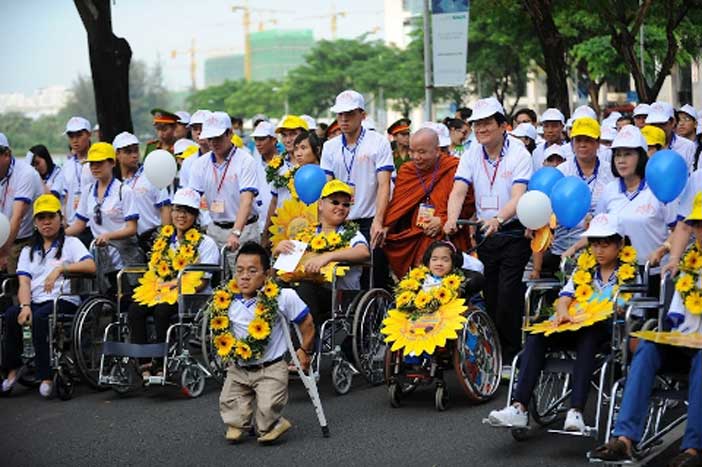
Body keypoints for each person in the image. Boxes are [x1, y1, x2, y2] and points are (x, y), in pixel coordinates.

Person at [488, 213, 636, 434]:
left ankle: (575, 411)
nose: (599, 251)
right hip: (573, 323)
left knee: (589, 336)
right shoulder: (583, 268)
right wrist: (563, 312)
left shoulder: (630, 273)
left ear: (619, 244)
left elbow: (627, 308)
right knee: (538, 334)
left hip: (605, 330)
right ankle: (519, 407)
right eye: (595, 245)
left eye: (605, 245)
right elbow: (565, 297)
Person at [589, 195, 702, 465]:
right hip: (683, 342)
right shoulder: (688, 265)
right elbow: (676, 320)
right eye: (698, 226)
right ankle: (625, 439)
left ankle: (693, 449)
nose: (700, 232)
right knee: (647, 347)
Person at [443, 97, 533, 366]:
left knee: (508, 293)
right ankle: (495, 351)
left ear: (503, 125)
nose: (481, 129)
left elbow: (519, 195)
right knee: (491, 295)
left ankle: (512, 354)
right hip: (485, 231)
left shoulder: (519, 153)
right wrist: (451, 218)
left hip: (513, 230)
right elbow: (459, 190)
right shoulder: (470, 153)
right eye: (477, 124)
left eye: (486, 123)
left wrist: (499, 218)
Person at [219, 241, 315, 444]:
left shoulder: (283, 296)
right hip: (239, 367)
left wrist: (304, 350)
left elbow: (307, 324)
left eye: (252, 271)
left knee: (268, 416)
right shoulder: (225, 300)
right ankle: (239, 421)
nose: (244, 276)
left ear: (267, 274)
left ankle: (273, 423)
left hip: (270, 368)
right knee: (230, 409)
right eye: (239, 271)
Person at [1, 194, 96, 397]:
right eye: (41, 218)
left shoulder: (71, 243)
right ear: (35, 223)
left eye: (50, 217)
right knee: (10, 315)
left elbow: (90, 265)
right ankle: (12, 369)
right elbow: (24, 282)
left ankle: (45, 375)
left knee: (42, 317)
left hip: (63, 299)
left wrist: (62, 268)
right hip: (35, 301)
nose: (46, 222)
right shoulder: (28, 251)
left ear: (60, 219)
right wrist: (25, 306)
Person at [127, 188, 219, 378]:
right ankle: (144, 362)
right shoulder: (163, 241)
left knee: (162, 312)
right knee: (135, 310)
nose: (181, 215)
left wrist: (175, 286)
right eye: (177, 210)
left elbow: (202, 281)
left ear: (195, 215)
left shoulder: (205, 243)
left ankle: (161, 363)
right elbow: (155, 270)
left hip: (191, 296)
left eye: (187, 211)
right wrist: (160, 286)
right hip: (162, 291)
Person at [321, 90, 394, 287]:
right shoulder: (330, 147)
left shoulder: (378, 142)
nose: (344, 119)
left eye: (350, 114)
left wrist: (378, 221)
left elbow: (384, 184)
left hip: (369, 218)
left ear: (362, 115)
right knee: (339, 276)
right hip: (340, 219)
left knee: (374, 275)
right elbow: (326, 188)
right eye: (340, 115)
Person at [595, 125, 676, 298]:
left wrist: (662, 250)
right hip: (620, 275)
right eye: (617, 155)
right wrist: (573, 249)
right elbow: (599, 228)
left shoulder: (657, 188)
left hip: (654, 272)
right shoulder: (609, 190)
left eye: (628, 154)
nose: (621, 160)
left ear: (640, 157)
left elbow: (678, 229)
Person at [273, 180, 371, 323]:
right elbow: (282, 270)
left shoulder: (351, 233)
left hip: (340, 297)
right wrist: (278, 251)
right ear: (320, 205)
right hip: (307, 291)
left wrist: (328, 257)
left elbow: (363, 252)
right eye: (335, 202)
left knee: (305, 289)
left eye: (346, 204)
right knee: (278, 288)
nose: (341, 207)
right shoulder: (306, 233)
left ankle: (306, 340)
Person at [383, 128, 475, 279]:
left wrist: (443, 219)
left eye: (422, 152)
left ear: (437, 150)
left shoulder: (454, 167)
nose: (416, 157)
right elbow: (398, 207)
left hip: (447, 236)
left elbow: (468, 202)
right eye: (412, 151)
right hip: (416, 235)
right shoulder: (407, 171)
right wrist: (386, 225)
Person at [65, 143, 139, 287]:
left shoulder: (124, 191)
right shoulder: (88, 191)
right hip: (101, 255)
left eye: (99, 163)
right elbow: (79, 224)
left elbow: (132, 228)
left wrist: (108, 236)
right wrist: (59, 235)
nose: (95, 167)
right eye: (92, 163)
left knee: (123, 296)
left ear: (112, 163)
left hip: (123, 254)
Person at [187, 111, 260, 260]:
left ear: (230, 133)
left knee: (241, 279)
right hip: (214, 228)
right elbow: (192, 199)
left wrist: (236, 232)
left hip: (243, 230)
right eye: (210, 138)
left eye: (218, 137)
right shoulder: (200, 164)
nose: (213, 142)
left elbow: (246, 200)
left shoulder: (245, 160)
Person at [560, 117, 616, 259]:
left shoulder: (610, 172)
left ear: (598, 143)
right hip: (564, 248)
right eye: (578, 140)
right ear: (572, 143)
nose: (582, 145)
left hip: (602, 248)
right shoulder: (561, 172)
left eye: (588, 140)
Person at [113, 131, 172, 255]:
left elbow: (165, 208)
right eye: (128, 151)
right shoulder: (114, 182)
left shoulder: (151, 174)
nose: (134, 155)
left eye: (136, 150)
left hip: (152, 238)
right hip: (126, 242)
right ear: (117, 154)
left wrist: (165, 240)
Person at [0, 133, 43, 273]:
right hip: (2, 239)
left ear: (7, 154)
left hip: (22, 240)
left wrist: (4, 253)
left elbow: (17, 217)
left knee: (15, 288)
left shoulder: (25, 173)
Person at [61, 116, 95, 228]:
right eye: (71, 136)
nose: (75, 140)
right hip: (72, 224)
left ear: (89, 134)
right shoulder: (67, 165)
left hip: (94, 224)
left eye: (79, 135)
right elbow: (65, 196)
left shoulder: (98, 161)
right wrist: (64, 219)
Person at [646, 101, 695, 171]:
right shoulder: (642, 146)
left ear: (673, 122)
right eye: (653, 124)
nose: (658, 129)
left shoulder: (687, 146)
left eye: (662, 124)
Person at [178, 109, 212, 189]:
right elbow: (185, 190)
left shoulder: (223, 158)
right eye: (195, 129)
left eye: (203, 128)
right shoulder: (188, 162)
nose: (199, 132)